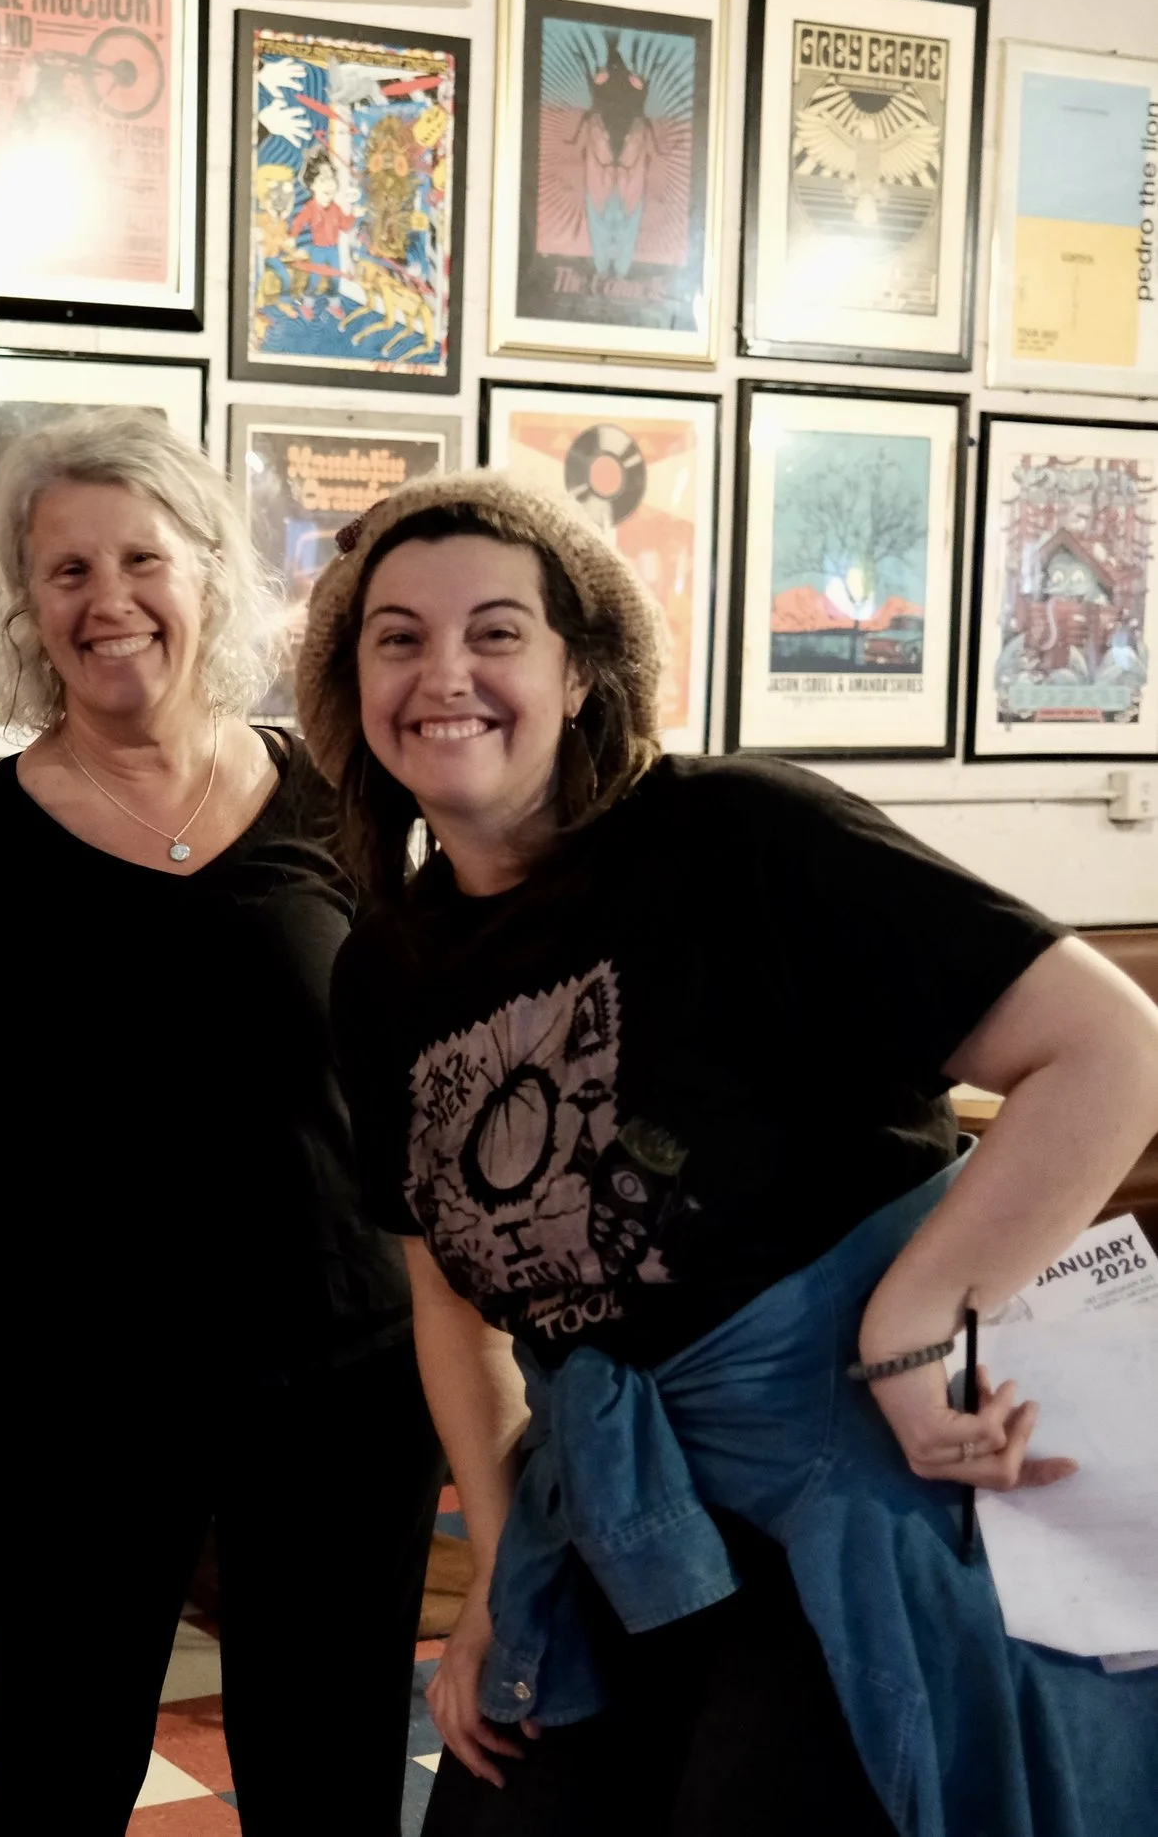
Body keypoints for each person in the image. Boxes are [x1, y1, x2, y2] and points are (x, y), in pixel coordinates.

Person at [301, 470, 1158, 1837]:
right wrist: (502, 1566)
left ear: (582, 670)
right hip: (612, 1500)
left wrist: (911, 1328)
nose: (443, 673)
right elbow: (445, 1292)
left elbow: (1113, 1049)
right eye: (396, 637)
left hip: (856, 1480)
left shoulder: (741, 835)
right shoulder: (383, 971)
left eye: (497, 631)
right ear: (354, 687)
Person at [0, 410, 442, 1834]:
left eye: (140, 559)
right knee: (61, 1768)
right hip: (79, 1391)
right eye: (66, 570)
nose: (107, 600)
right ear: (26, 607)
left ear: (209, 575)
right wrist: (68, 1275)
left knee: (331, 1769)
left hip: (342, 1372)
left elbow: (426, 1057)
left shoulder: (343, 812)